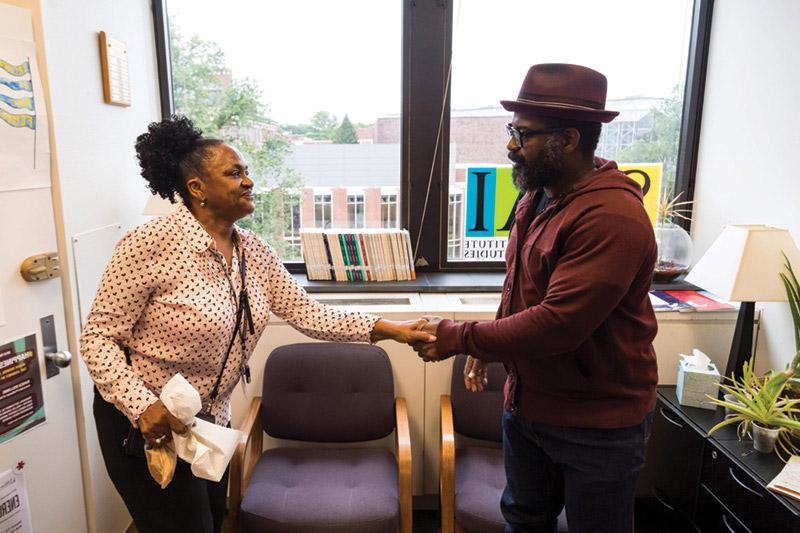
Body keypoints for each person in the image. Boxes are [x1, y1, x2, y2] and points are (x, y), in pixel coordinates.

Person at [80, 115, 435, 533]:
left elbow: (310, 314)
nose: (248, 181)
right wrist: (143, 407)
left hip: (208, 421)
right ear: (197, 189)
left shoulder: (254, 251)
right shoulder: (150, 243)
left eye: (247, 172)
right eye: (234, 173)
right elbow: (98, 337)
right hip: (146, 425)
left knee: (212, 519)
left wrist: (393, 329)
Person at [413, 64, 658, 533]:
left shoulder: (611, 217)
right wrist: (487, 351)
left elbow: (558, 322)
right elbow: (521, 288)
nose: (510, 146)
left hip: (596, 425)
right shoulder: (539, 197)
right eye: (512, 131)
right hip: (526, 408)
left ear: (567, 138)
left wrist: (461, 338)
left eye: (521, 134)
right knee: (523, 520)